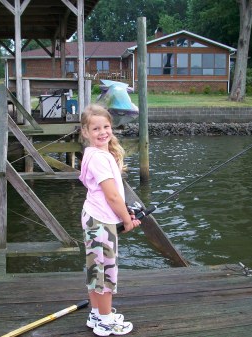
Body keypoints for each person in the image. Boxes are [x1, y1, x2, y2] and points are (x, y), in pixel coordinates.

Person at [79, 104, 140, 336]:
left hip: (96, 218)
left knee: (96, 270)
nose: (102, 132)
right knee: (104, 273)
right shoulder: (100, 159)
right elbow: (112, 195)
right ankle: (105, 320)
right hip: (100, 223)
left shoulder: (95, 154)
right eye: (96, 128)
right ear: (85, 132)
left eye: (106, 126)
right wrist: (126, 220)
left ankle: (96, 313)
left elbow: (113, 198)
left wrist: (124, 213)